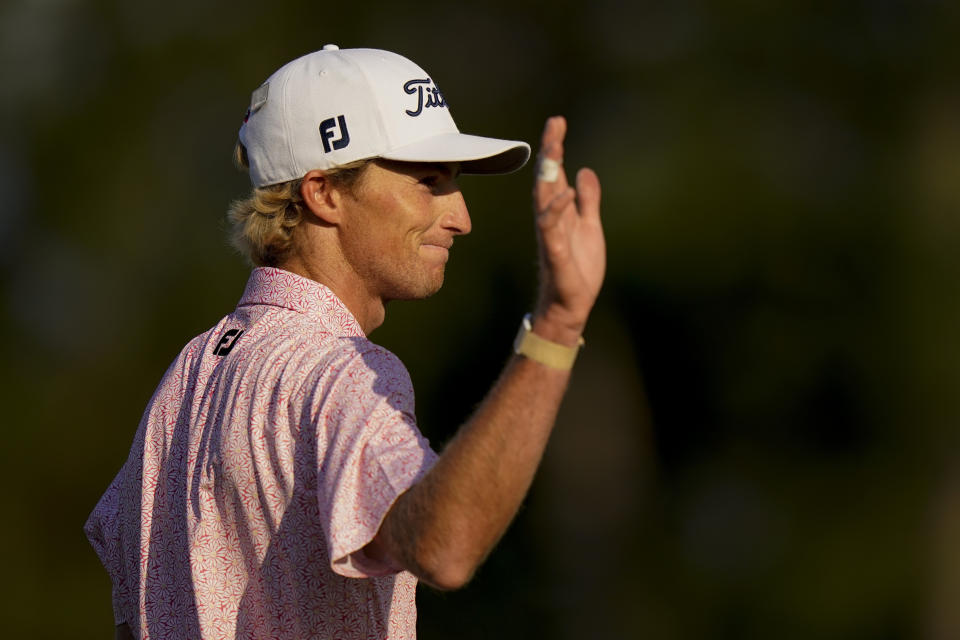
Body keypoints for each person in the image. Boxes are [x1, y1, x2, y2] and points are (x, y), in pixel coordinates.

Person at [85, 44, 605, 640]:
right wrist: (559, 327)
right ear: (323, 192)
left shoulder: (186, 378)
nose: (461, 216)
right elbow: (445, 547)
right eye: (428, 181)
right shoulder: (343, 371)